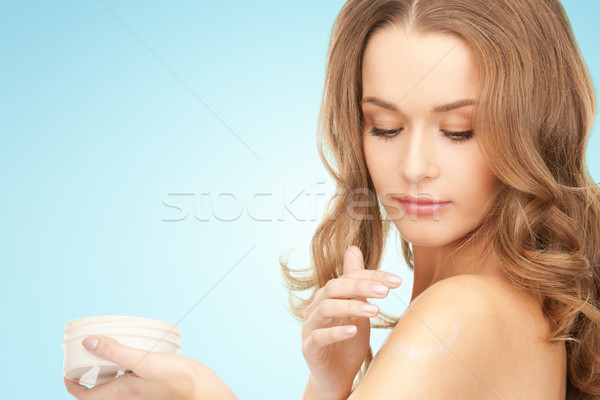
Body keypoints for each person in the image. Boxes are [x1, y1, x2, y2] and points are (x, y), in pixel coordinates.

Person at [65, 0, 600, 399]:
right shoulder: (507, 310)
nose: (413, 168)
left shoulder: (463, 314)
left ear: (536, 131)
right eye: (385, 127)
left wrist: (199, 390)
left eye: (459, 130)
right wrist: (330, 386)